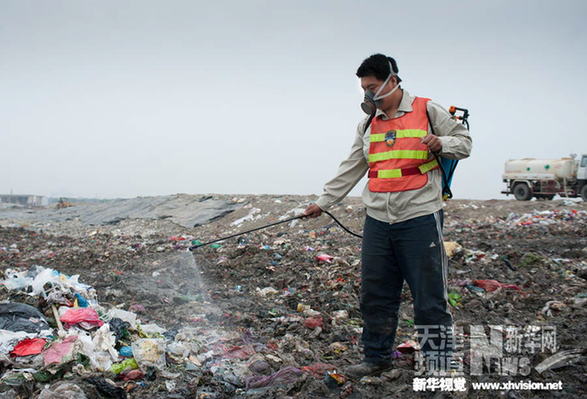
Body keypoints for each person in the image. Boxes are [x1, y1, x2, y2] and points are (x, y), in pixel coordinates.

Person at [303, 53, 472, 378]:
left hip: (421, 217)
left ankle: (437, 365)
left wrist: (441, 142)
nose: (368, 94)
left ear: (392, 81)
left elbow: (465, 143)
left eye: (372, 86)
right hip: (378, 221)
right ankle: (376, 357)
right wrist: (323, 202)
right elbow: (352, 165)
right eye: (363, 88)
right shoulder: (369, 123)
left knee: (429, 297)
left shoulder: (427, 109)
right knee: (376, 293)